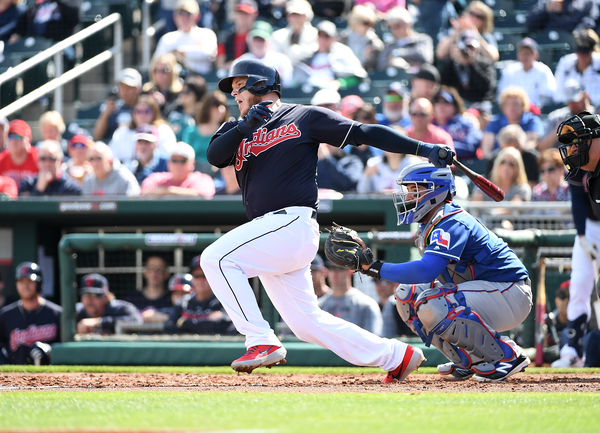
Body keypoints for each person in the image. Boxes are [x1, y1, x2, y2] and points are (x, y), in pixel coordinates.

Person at [200, 59, 454, 381]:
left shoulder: (303, 116)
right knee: (306, 323)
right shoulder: (235, 128)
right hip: (271, 234)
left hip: (291, 222)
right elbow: (214, 156)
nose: (234, 95)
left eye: (239, 86)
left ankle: (259, 339)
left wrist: (423, 148)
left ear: (261, 85)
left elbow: (364, 132)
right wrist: (243, 127)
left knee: (216, 258)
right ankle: (395, 355)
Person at [359, 162, 532, 381]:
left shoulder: (450, 220)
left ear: (435, 191)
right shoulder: (430, 222)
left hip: (510, 292)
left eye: (415, 190)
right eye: (409, 190)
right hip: (485, 292)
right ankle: (470, 359)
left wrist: (375, 268)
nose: (409, 196)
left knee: (434, 302)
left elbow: (426, 271)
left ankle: (507, 355)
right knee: (407, 295)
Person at [554, 110, 600, 367]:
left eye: (579, 141)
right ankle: (571, 349)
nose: (573, 149)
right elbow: (577, 202)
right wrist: (582, 235)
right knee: (580, 284)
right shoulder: (579, 165)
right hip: (592, 228)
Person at [0, 262, 62, 365]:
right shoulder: (5, 315)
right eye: (21, 281)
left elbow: (67, 345)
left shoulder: (56, 313)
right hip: (15, 376)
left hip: (51, 374)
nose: (25, 286)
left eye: (30, 281)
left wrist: (51, 350)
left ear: (39, 284)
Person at [164, 257, 237, 335]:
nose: (200, 281)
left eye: (204, 276)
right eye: (196, 276)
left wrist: (184, 322)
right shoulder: (183, 302)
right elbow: (169, 328)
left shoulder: (224, 301)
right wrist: (207, 320)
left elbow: (226, 326)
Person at [152, 0, 218, 75]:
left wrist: (179, 52)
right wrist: (194, 48)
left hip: (200, 81)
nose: (184, 17)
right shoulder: (167, 38)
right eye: (180, 14)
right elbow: (158, 60)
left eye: (188, 14)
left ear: (197, 16)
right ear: (175, 17)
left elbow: (207, 54)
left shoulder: (207, 34)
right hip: (175, 81)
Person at [318, 262, 383, 336]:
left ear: (350, 270)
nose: (335, 273)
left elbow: (373, 340)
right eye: (331, 268)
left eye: (340, 268)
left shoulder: (366, 305)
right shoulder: (318, 306)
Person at [109, 95, 177, 165]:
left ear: (154, 113)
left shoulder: (164, 130)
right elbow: (111, 157)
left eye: (146, 111)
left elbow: (168, 156)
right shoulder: (122, 132)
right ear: (133, 113)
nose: (142, 115)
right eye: (138, 111)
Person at [302, 20, 367, 90]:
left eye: (326, 36)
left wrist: (340, 83)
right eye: (320, 36)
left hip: (333, 94)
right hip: (309, 92)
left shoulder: (343, 52)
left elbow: (359, 76)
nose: (323, 39)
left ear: (334, 38)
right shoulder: (308, 53)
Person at [480, 86, 544, 158]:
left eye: (515, 104)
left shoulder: (533, 121)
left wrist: (513, 160)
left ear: (523, 106)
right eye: (508, 104)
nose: (512, 108)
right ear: (503, 107)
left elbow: (531, 144)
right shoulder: (494, 122)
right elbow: (486, 151)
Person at [496, 37, 557, 111]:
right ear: (518, 55)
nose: (525, 56)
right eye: (523, 53)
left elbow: (549, 97)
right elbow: (502, 96)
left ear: (535, 55)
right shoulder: (510, 70)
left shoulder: (543, 70)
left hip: (537, 111)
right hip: (514, 111)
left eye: (528, 53)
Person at [439, 29, 496, 106]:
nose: (468, 51)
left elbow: (486, 86)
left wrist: (471, 64)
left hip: (480, 104)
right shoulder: (453, 65)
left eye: (471, 47)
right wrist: (452, 61)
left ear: (477, 48)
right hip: (458, 106)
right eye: (465, 47)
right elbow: (444, 84)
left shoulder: (485, 64)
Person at [181, 90, 230, 176]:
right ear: (207, 108)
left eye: (223, 106)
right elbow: (185, 156)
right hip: (193, 175)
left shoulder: (226, 132)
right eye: (216, 106)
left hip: (218, 176)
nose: (221, 110)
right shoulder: (190, 132)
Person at [232, 21, 294, 89]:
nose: (258, 44)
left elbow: (287, 85)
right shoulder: (239, 62)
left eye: (262, 40)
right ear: (249, 41)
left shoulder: (282, 60)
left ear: (269, 41)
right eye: (256, 40)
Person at [141, 142, 215, 198]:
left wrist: (168, 191)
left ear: (192, 163)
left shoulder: (202, 179)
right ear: (168, 162)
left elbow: (203, 195)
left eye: (183, 161)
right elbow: (144, 193)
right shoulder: (157, 178)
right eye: (174, 160)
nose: (178, 165)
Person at [76, 273, 142, 335]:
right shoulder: (77, 311)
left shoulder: (121, 309)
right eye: (85, 295)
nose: (89, 300)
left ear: (106, 297)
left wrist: (99, 322)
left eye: (95, 295)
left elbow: (136, 321)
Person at [540, 79, 595, 151]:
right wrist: (558, 131)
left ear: (586, 95)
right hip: (561, 159)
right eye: (570, 101)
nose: (572, 104)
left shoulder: (597, 115)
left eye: (576, 100)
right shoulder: (557, 117)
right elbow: (541, 148)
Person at [376, 6, 433, 71]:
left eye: (397, 26)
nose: (394, 31)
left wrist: (397, 53)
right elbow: (381, 65)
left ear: (407, 24)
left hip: (419, 78)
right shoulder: (389, 45)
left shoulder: (423, 39)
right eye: (390, 27)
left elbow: (424, 56)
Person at [432, 86, 482, 160]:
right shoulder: (429, 124)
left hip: (463, 165)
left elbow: (470, 147)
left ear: (454, 106)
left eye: (446, 102)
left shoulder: (466, 123)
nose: (441, 106)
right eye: (437, 101)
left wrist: (443, 149)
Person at [553, 29, 600, 108]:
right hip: (570, 109)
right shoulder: (565, 62)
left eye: (586, 53)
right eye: (580, 53)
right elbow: (557, 94)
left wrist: (585, 101)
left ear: (592, 51)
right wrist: (574, 101)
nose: (583, 56)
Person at [93, 68, 143, 143]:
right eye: (122, 87)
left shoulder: (144, 109)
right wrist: (106, 113)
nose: (125, 91)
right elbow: (98, 135)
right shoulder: (112, 108)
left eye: (129, 87)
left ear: (138, 89)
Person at [485, 124, 541, 189]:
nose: (510, 153)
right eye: (506, 150)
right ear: (501, 146)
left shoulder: (533, 159)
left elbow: (535, 187)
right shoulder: (493, 160)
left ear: (522, 146)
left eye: (515, 149)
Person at [124, 256, 172, 322]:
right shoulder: (132, 298)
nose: (155, 273)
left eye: (159, 270)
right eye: (151, 269)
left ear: (167, 274)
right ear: (145, 273)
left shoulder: (171, 298)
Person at [270, 0, 318, 66]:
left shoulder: (316, 34)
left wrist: (292, 52)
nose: (296, 18)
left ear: (306, 16)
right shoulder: (277, 35)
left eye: (299, 15)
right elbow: (273, 56)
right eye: (293, 15)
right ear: (288, 17)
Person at [215, 0, 259, 72]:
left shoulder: (259, 37)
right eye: (240, 13)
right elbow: (220, 64)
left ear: (255, 15)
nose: (243, 16)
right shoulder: (225, 37)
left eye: (246, 13)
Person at [338, 4, 384, 72]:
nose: (368, 26)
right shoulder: (343, 38)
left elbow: (374, 68)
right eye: (365, 23)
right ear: (355, 22)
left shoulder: (375, 43)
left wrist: (367, 58)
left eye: (371, 23)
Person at [10, 0, 78, 43]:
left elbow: (74, 18)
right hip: (35, 44)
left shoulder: (69, 2)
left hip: (60, 43)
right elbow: (24, 19)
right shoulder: (37, 3)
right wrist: (18, 33)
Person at [142, 53, 184, 118]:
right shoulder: (147, 91)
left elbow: (175, 115)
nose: (160, 74)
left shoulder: (180, 93)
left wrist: (163, 104)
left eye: (164, 70)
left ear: (172, 72)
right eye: (156, 70)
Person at [0, 119, 38, 186]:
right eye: (10, 136)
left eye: (18, 136)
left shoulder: (39, 158)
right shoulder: (1, 159)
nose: (14, 141)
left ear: (29, 138)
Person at [526, 0, 598, 34]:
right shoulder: (547, 2)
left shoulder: (587, 2)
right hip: (549, 43)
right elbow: (530, 24)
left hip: (576, 43)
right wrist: (546, 10)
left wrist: (578, 31)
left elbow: (590, 21)